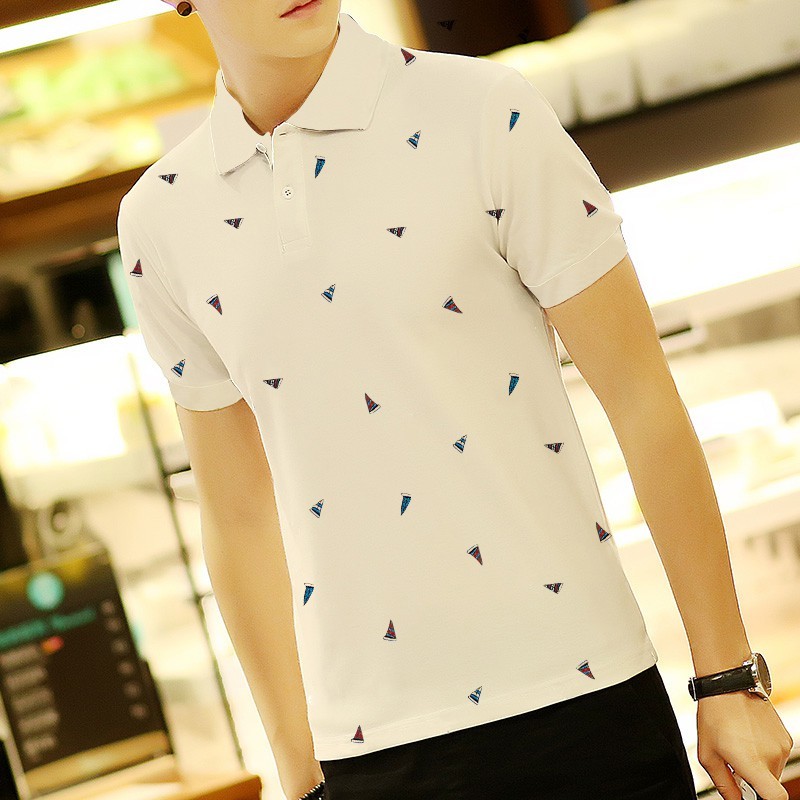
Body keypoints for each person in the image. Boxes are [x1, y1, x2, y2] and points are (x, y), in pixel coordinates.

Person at [117, 2, 794, 799]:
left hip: (585, 700)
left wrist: (726, 676)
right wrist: (299, 774)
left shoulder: (485, 111)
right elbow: (237, 514)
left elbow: (641, 397)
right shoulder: (162, 217)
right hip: (369, 752)